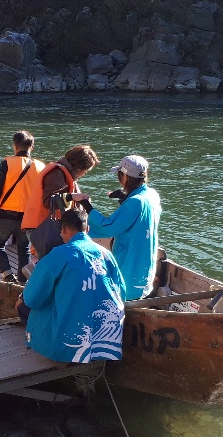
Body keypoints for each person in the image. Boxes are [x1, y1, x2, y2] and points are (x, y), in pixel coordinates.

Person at [18, 206, 127, 364]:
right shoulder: (106, 254)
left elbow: (32, 299)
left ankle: (54, 349)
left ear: (63, 229)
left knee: (24, 305)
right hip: (110, 335)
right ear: (87, 229)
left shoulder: (58, 254)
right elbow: (122, 293)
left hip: (71, 338)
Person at [86, 155, 162, 301]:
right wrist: (125, 196)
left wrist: (87, 207)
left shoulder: (134, 202)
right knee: (139, 285)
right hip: (144, 263)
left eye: (119, 174)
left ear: (126, 176)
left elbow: (108, 227)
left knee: (121, 290)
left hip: (129, 265)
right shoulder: (152, 195)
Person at [21, 144, 100, 264]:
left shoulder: (62, 172)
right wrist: (72, 196)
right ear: (79, 167)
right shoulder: (57, 173)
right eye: (86, 171)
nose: (84, 174)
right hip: (43, 227)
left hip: (44, 226)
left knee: (51, 264)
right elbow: (49, 201)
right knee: (50, 264)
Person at [0, 130, 40, 283]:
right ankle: (22, 282)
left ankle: (7, 275)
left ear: (15, 146)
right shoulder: (40, 167)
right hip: (28, 218)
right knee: (24, 249)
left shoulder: (7, 164)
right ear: (31, 147)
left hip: (6, 215)